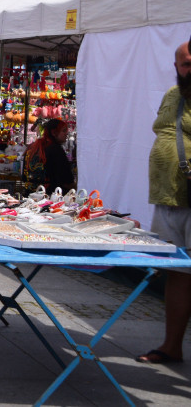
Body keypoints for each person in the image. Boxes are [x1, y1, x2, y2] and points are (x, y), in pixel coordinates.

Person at [137, 41, 191, 365]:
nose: (189, 68)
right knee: (178, 272)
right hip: (168, 198)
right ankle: (172, 346)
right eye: (184, 63)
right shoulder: (173, 94)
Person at [24, 119, 75, 193]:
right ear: (54, 133)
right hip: (49, 195)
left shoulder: (34, 146)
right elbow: (66, 180)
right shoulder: (55, 149)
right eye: (63, 131)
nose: (66, 134)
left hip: (30, 192)